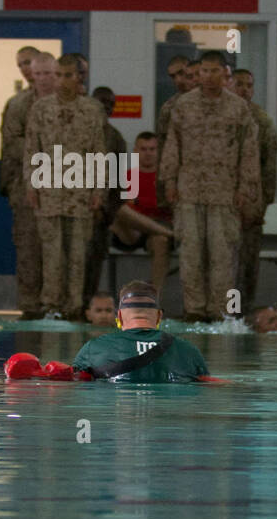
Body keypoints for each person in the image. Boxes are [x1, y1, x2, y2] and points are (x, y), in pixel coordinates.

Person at [160, 52, 260, 322]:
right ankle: (194, 309)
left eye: (215, 71)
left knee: (223, 255)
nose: (208, 76)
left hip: (225, 192)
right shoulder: (184, 105)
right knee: (191, 253)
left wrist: (244, 187)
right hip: (189, 191)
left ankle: (221, 310)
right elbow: (172, 145)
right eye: (204, 71)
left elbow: (248, 151)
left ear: (225, 74)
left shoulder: (238, 108)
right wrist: (169, 181)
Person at [24, 55, 105, 319]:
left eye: (67, 75)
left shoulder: (92, 109)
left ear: (79, 77)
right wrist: (31, 183)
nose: (61, 81)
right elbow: (31, 149)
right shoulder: (41, 108)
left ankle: (73, 306)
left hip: (80, 189)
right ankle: (51, 305)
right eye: (57, 75)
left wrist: (98, 189)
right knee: (51, 250)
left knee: (78, 251)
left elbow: (98, 151)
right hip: (48, 188)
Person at [1, 52, 56, 318]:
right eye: (39, 74)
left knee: (59, 247)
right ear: (30, 75)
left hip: (64, 186)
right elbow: (12, 143)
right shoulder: (19, 104)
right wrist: (46, 150)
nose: (44, 79)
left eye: (49, 73)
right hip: (27, 185)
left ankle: (57, 304)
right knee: (28, 247)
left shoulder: (70, 105)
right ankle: (30, 305)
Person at [70, 281, 210, 382]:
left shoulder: (93, 349)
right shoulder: (188, 351)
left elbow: (72, 380)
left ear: (119, 316)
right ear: (159, 316)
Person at [230, 68, 277, 310]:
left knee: (248, 260)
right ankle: (225, 310)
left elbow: (269, 168)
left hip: (250, 202)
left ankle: (244, 307)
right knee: (225, 262)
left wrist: (263, 203)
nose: (245, 90)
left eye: (249, 85)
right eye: (239, 84)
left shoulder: (262, 121)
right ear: (229, 85)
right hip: (221, 200)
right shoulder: (222, 116)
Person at [110, 132, 174, 296]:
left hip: (158, 228)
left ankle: (154, 297)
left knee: (161, 240)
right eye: (143, 149)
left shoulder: (167, 179)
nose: (148, 153)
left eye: (152, 149)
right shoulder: (125, 176)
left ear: (159, 151)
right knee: (118, 209)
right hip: (131, 231)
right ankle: (170, 234)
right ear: (136, 151)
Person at [83, 86, 130, 306]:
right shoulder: (79, 130)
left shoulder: (116, 138)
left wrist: (107, 213)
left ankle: (88, 307)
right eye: (102, 102)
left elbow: (120, 184)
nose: (106, 108)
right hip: (73, 209)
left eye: (111, 104)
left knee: (94, 262)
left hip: (100, 214)